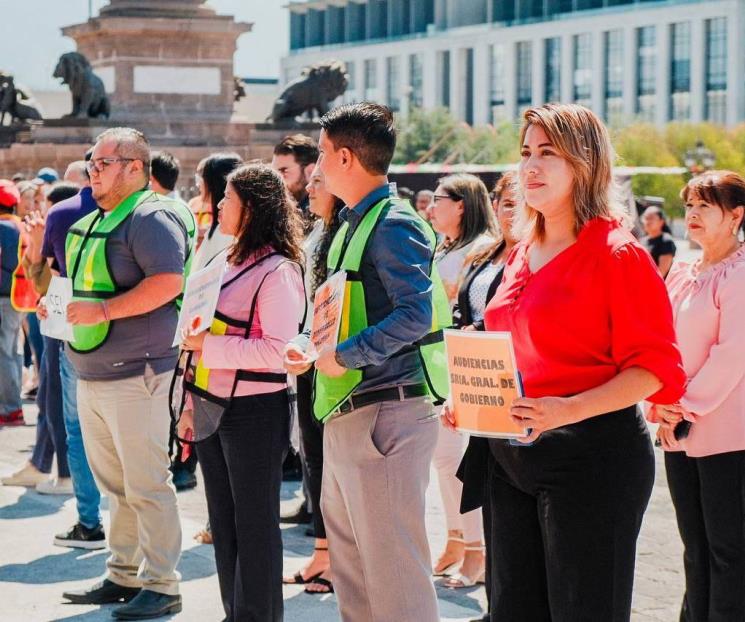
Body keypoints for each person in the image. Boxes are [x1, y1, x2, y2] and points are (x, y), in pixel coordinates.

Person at [446, 103, 686, 621]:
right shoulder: (520, 249)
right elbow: (509, 340)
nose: (530, 167)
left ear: (585, 163)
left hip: (592, 459)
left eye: (548, 154)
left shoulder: (617, 254)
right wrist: (471, 396)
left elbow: (655, 369)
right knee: (512, 610)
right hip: (510, 456)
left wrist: (566, 410)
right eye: (526, 153)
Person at [284, 102, 450, 622]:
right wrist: (312, 347)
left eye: (322, 153)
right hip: (354, 409)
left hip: (385, 412)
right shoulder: (359, 222)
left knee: (394, 571)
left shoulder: (393, 223)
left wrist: (346, 356)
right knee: (354, 568)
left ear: (347, 158)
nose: (317, 165)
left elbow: (416, 314)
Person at [57, 128, 186, 620]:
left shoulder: (151, 216)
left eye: (103, 162)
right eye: (91, 160)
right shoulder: (101, 219)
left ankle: (161, 583)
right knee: (115, 485)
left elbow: (169, 282)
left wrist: (104, 311)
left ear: (135, 167)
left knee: (146, 484)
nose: (93, 169)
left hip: (139, 374)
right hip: (95, 374)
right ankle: (124, 573)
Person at [176, 163, 305, 621]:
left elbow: (277, 350)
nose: (219, 205)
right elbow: (195, 333)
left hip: (255, 410)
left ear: (250, 207)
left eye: (227, 198)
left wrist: (208, 345)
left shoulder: (278, 271)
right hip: (211, 405)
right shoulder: (221, 259)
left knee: (254, 527)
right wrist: (190, 405)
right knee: (225, 525)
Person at [651, 171, 745, 622]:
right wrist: (659, 401)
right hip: (678, 428)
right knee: (694, 546)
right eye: (689, 205)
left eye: (705, 206)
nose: (692, 214)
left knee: (728, 549)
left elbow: (732, 356)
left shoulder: (740, 274)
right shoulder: (685, 272)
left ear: (736, 216)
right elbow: (662, 341)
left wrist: (682, 405)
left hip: (727, 433)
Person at [22, 157, 105, 547]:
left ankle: (90, 520)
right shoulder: (150, 210)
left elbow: (47, 284)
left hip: (73, 328)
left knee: (77, 428)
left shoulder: (63, 213)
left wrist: (34, 249)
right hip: (136, 334)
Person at [455, 172, 520, 620]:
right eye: (503, 202)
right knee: (487, 487)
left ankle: (503, 598)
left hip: (513, 386)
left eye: (516, 203)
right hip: (477, 380)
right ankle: (496, 600)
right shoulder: (483, 253)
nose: (508, 211)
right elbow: (463, 306)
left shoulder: (532, 257)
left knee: (510, 498)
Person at [426, 173, 496, 588]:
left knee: (457, 460)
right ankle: (455, 538)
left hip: (466, 364)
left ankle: (477, 549)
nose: (431, 207)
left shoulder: (481, 249)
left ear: (462, 206)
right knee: (443, 458)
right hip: (440, 362)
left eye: (439, 199)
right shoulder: (445, 247)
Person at [282, 169, 343, 595]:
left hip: (336, 364)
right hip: (310, 357)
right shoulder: (317, 233)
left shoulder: (344, 234)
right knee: (313, 457)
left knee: (332, 462)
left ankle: (335, 557)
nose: (310, 190)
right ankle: (322, 551)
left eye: (318, 183)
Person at [0, 179, 35, 426]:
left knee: (5, 354)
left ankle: (10, 408)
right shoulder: (22, 228)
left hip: (2, 299)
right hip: (19, 298)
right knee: (12, 351)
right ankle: (12, 407)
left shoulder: (3, 229)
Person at [192, 153, 242, 271]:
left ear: (214, 184)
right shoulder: (220, 228)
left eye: (202, 178)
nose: (199, 184)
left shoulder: (227, 232)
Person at [271, 134, 318, 214]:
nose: (277, 179)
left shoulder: (320, 212)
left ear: (310, 171)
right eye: (274, 172)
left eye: (283, 171)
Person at [640, 205, 676, 278]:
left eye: (651, 218)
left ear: (661, 222)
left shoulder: (666, 241)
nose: (648, 221)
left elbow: (661, 273)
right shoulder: (642, 241)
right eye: (646, 218)